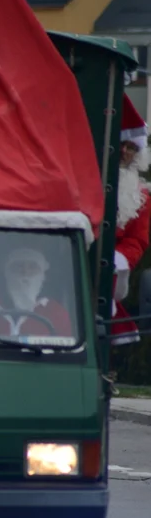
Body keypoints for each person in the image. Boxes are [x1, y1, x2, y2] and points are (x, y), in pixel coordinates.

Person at [0, 247, 72, 339]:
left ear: (43, 276)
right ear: (6, 273)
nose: (25, 273)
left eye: (33, 267)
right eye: (18, 266)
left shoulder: (56, 312)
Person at [112, 94, 151, 347]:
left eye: (131, 147)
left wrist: (117, 260)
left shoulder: (142, 196)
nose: (124, 151)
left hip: (113, 271)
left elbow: (137, 241)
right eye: (121, 144)